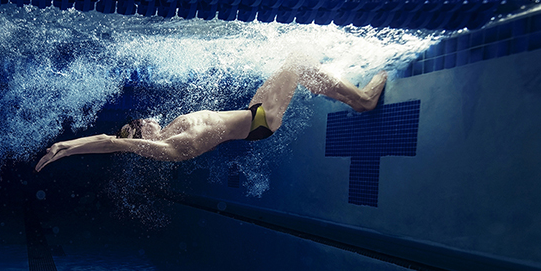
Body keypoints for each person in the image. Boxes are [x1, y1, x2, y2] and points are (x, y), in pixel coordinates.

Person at [35, 53, 387, 172]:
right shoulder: (165, 149)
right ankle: (362, 100)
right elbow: (113, 143)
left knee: (297, 66)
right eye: (138, 125)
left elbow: (118, 139)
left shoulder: (169, 132)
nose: (143, 119)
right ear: (141, 137)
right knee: (298, 62)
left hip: (254, 113)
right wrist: (68, 147)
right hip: (261, 123)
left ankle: (335, 87)